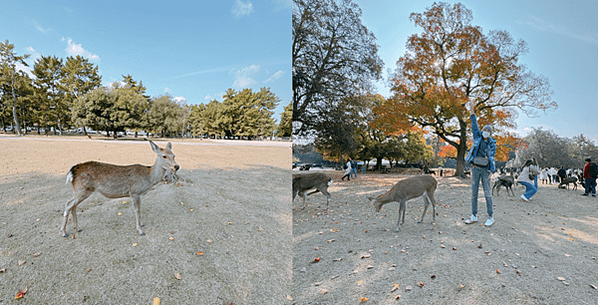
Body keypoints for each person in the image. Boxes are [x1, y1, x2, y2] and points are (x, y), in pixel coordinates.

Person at [464, 102, 496, 227]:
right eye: (485, 130)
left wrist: (491, 171)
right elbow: (474, 124)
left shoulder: (492, 143)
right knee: (474, 193)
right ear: (482, 131)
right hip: (475, 169)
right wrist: (472, 111)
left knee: (487, 194)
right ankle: (474, 215)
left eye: (488, 131)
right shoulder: (477, 137)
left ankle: (490, 216)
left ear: (491, 133)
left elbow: (492, 157)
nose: (486, 132)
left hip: (485, 170)